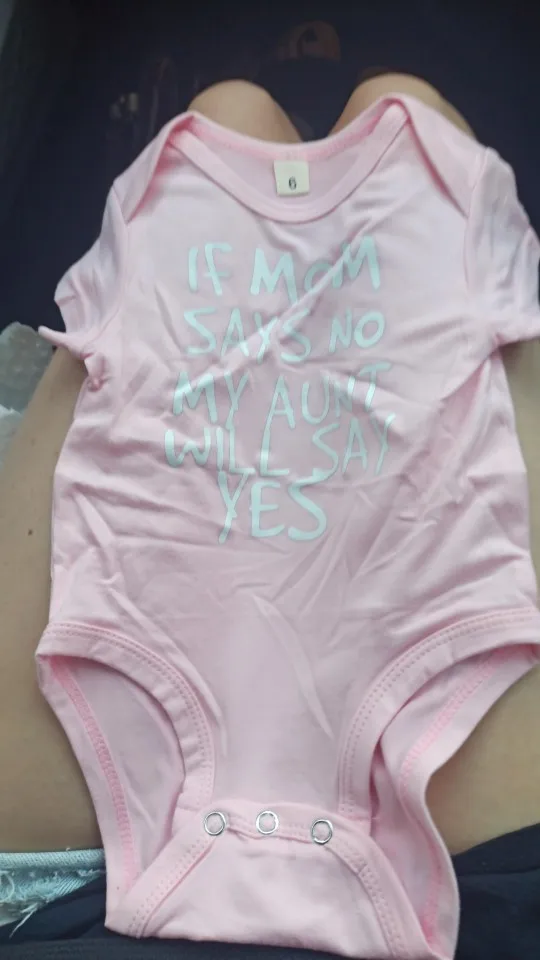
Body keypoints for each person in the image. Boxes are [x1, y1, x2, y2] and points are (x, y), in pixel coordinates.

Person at [1, 67, 540, 958]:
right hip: (493, 899)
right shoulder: (455, 186)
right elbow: (514, 327)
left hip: (64, 903)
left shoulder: (162, 183)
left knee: (228, 114)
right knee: (401, 112)